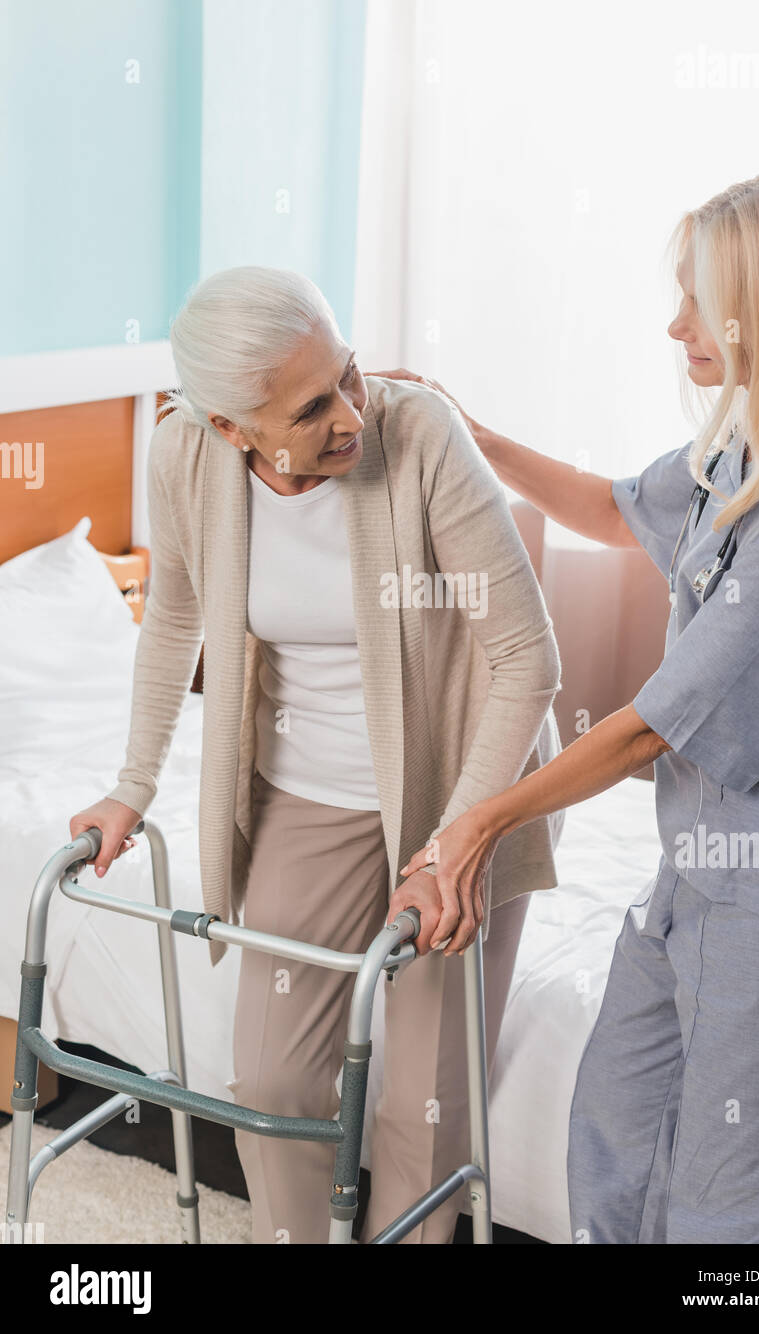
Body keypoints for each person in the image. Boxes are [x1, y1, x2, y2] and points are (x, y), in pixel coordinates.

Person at [392, 171, 759, 1243]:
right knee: (613, 1134)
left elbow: (655, 722)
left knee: (728, 1203)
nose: (676, 323)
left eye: (701, 299)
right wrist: (470, 434)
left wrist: (477, 822)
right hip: (691, 866)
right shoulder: (741, 448)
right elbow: (612, 508)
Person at [68, 265, 563, 1244]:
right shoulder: (182, 457)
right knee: (274, 1079)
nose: (351, 414)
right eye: (312, 405)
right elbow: (173, 618)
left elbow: (526, 656)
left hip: (467, 783)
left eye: (348, 375)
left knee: (422, 1112)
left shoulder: (418, 435)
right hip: (309, 794)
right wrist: (131, 786)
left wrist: (455, 844)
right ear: (229, 428)